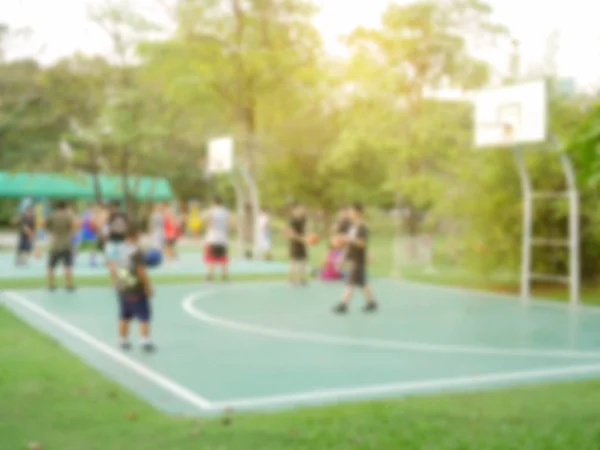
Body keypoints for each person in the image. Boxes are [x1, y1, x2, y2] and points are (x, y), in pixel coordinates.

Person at [112, 224, 155, 352]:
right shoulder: (137, 251)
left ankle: (123, 340)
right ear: (135, 235)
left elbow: (113, 266)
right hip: (135, 286)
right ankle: (144, 341)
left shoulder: (118, 248)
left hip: (122, 285)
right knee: (144, 314)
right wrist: (147, 286)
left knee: (124, 314)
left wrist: (116, 281)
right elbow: (140, 271)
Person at [333, 203, 377, 313]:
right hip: (352, 257)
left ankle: (343, 304)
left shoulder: (362, 227)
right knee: (362, 283)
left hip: (358, 259)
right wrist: (342, 256)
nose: (349, 213)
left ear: (358, 213)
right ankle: (371, 303)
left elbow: (362, 244)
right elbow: (349, 243)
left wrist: (348, 238)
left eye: (351, 211)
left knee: (350, 282)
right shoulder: (352, 227)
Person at [45, 201, 77, 291]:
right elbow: (73, 227)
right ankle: (68, 285)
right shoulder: (68, 216)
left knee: (51, 266)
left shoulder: (52, 215)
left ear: (57, 207)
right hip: (66, 244)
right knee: (67, 266)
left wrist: (51, 231)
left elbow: (45, 224)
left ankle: (50, 285)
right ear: (64, 207)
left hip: (54, 244)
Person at [203, 195, 232, 281]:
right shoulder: (225, 212)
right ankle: (224, 275)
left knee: (211, 258)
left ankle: (209, 275)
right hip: (222, 238)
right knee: (223, 259)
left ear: (213, 202)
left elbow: (207, 222)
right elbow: (229, 224)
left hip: (212, 238)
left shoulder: (211, 211)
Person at [285, 202, 309, 285]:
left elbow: (305, 230)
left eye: (303, 209)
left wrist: (307, 237)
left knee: (303, 260)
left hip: (303, 242)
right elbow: (290, 234)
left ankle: (301, 278)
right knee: (293, 261)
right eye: (300, 209)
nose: (302, 210)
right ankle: (291, 279)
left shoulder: (303, 219)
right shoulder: (292, 220)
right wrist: (300, 239)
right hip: (295, 242)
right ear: (295, 210)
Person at [105, 201, 129, 278]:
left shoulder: (111, 216)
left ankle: (115, 282)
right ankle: (123, 281)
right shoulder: (124, 215)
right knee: (121, 263)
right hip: (121, 241)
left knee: (111, 263)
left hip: (112, 241)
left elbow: (107, 228)